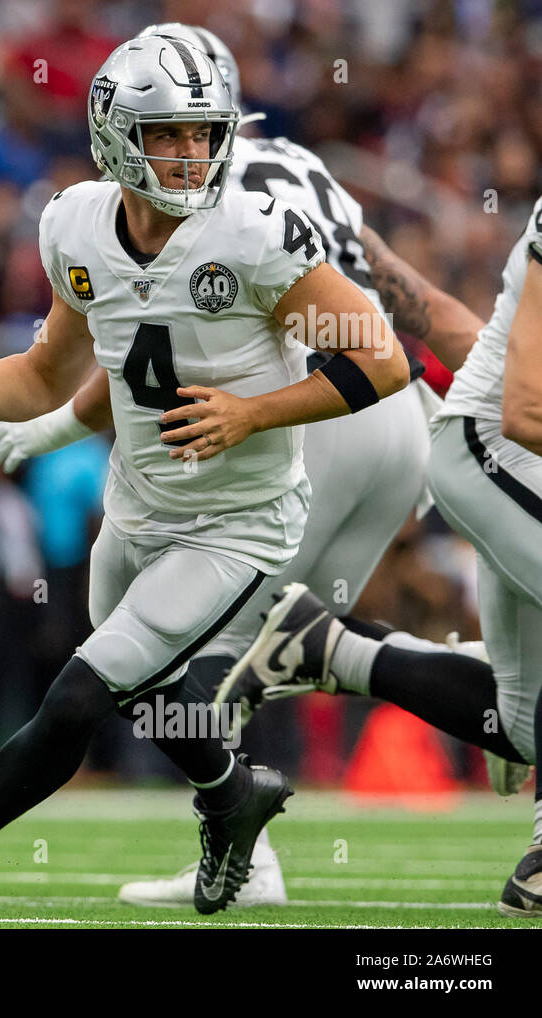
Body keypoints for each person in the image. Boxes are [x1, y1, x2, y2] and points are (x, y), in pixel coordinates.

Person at [0, 34, 408, 918]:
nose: (193, 154)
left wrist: (253, 412)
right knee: (147, 690)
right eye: (170, 134)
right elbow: (42, 373)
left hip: (240, 519)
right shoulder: (73, 223)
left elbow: (381, 361)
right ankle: (231, 796)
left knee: (81, 692)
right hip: (137, 503)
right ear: (115, 135)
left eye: (205, 133)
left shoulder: (252, 233)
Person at [0, 21, 486, 907]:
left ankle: (248, 858)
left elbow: (152, 359)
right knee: (286, 642)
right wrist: (493, 410)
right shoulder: (301, 170)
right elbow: (423, 307)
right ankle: (484, 693)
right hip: (400, 423)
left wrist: (56, 426)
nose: (185, 151)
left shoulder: (197, 203)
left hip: (308, 410)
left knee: (189, 645)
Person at [216, 192, 542, 919]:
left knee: (521, 724)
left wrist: (367, 245)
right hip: (497, 453)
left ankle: (329, 648)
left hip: (513, 460)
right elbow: (521, 408)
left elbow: (469, 329)